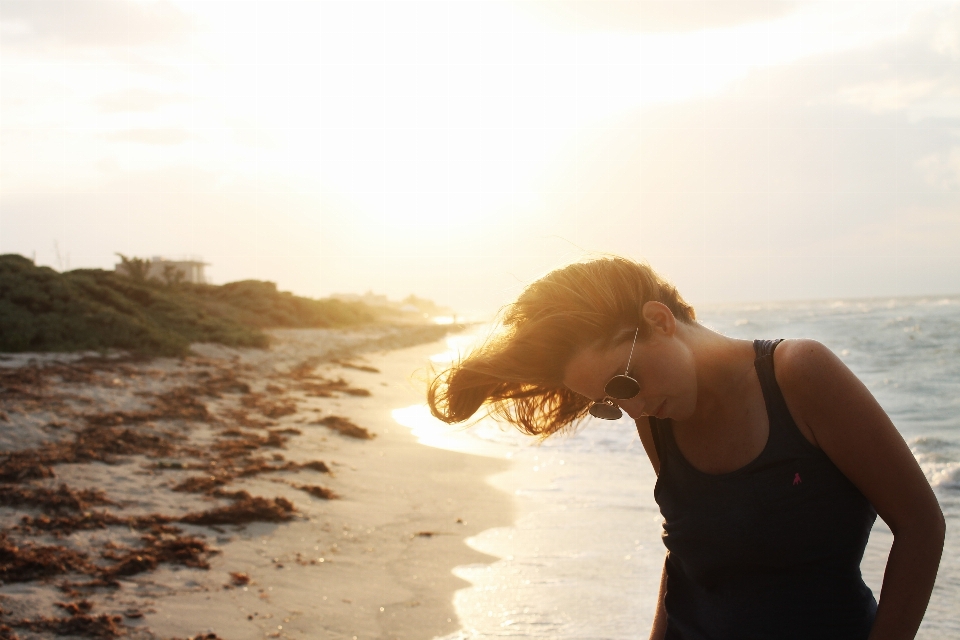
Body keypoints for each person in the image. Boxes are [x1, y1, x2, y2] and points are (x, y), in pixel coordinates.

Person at [427, 257, 944, 640]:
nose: (631, 411)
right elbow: (687, 557)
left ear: (659, 321)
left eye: (624, 386)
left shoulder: (799, 376)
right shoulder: (658, 419)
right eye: (607, 404)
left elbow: (921, 526)